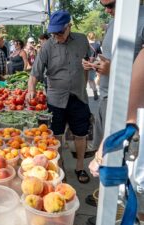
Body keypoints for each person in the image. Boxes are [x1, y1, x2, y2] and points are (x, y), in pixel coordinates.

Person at [83, 1, 144, 224]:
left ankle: (117, 213)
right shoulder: (113, 23)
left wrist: (113, 70)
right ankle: (108, 204)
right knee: (104, 163)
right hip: (107, 99)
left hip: (127, 106)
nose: (106, 9)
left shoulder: (140, 20)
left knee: (123, 169)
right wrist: (95, 64)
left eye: (110, 4)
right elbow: (109, 56)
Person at [27, 10, 91, 183]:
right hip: (55, 99)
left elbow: (88, 63)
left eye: (60, 32)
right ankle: (59, 166)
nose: (57, 36)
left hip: (78, 96)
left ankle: (80, 167)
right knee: (56, 135)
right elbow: (35, 72)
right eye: (53, 33)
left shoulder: (82, 40)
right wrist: (31, 89)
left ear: (69, 26)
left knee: (81, 133)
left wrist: (84, 84)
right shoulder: (47, 46)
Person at [87, 32, 102, 101]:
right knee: (91, 80)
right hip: (93, 64)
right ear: (94, 37)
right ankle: (95, 91)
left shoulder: (85, 45)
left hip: (85, 63)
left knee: (83, 80)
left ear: (88, 37)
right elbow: (100, 55)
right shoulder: (97, 45)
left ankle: (82, 94)